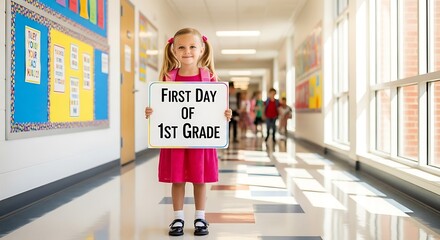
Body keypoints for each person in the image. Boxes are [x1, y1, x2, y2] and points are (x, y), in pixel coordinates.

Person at [144, 28, 232, 237]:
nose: (187, 51)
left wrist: (225, 113)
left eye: (192, 47)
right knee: (178, 179)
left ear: (202, 49)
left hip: (201, 140)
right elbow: (163, 106)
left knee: (200, 179)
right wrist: (152, 112)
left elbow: (215, 107)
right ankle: (178, 218)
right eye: (181, 47)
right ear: (173, 50)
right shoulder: (168, 78)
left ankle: (200, 217)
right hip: (176, 140)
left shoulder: (208, 77)